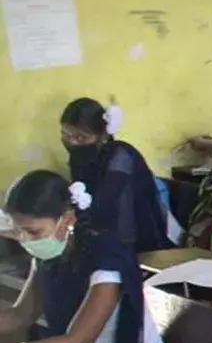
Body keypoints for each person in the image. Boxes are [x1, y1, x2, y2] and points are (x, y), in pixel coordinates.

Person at [0, 172, 179, 343]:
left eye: (32, 231)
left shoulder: (106, 261)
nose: (25, 239)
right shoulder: (51, 251)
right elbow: (21, 314)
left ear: (67, 219)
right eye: (18, 231)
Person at [59, 98, 172, 254]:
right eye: (65, 135)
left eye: (81, 138)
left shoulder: (121, 156)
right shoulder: (80, 157)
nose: (72, 142)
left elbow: (107, 205)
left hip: (138, 242)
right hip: (102, 232)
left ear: (103, 135)